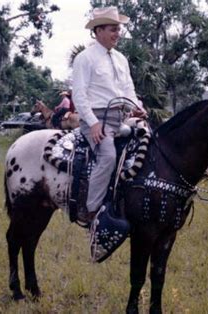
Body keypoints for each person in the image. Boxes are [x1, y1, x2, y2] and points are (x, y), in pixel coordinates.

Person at [72, 6, 146, 224]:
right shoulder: (85, 59)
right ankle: (92, 211)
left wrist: (137, 107)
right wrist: (93, 124)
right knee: (108, 157)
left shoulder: (121, 59)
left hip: (119, 119)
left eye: (118, 29)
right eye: (113, 29)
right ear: (98, 31)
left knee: (146, 139)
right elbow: (79, 95)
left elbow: (128, 89)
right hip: (95, 120)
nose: (118, 33)